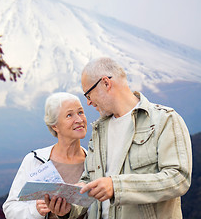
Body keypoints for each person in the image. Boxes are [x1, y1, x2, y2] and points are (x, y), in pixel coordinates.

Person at [46, 57, 192, 219]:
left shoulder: (164, 120)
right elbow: (88, 182)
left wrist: (117, 186)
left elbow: (178, 178)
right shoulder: (98, 130)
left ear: (106, 83)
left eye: (88, 94)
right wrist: (68, 209)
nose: (88, 103)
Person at [3, 92, 88, 219]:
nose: (79, 120)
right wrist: (36, 210)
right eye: (69, 115)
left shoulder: (94, 162)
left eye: (80, 112)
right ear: (55, 126)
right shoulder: (34, 160)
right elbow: (10, 208)